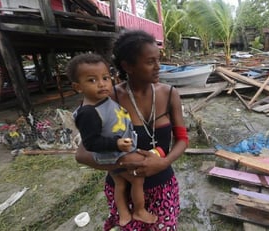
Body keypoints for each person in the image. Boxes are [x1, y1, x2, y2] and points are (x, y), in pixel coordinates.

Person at [74, 30, 189, 231]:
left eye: (158, 60)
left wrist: (163, 163)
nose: (158, 66)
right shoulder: (109, 100)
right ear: (128, 66)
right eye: (150, 61)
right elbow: (82, 154)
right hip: (124, 188)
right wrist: (122, 162)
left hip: (163, 186)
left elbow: (182, 139)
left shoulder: (170, 94)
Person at [67, 53, 159, 227]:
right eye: (92, 80)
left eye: (105, 78)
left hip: (116, 151)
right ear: (78, 87)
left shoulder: (103, 100)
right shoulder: (88, 113)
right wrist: (116, 144)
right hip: (113, 153)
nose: (101, 84)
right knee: (137, 179)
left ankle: (124, 213)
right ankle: (139, 211)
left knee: (120, 183)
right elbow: (90, 143)